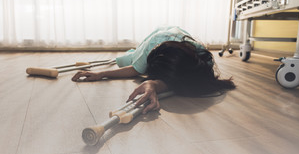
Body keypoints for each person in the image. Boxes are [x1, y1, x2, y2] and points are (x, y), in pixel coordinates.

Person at [71, 26, 235, 114]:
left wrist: (153, 84)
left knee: (136, 63)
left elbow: (176, 79)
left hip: (173, 43)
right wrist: (102, 74)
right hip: (156, 38)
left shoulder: (202, 62)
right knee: (124, 61)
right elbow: (134, 70)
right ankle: (134, 52)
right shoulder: (155, 45)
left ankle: (135, 53)